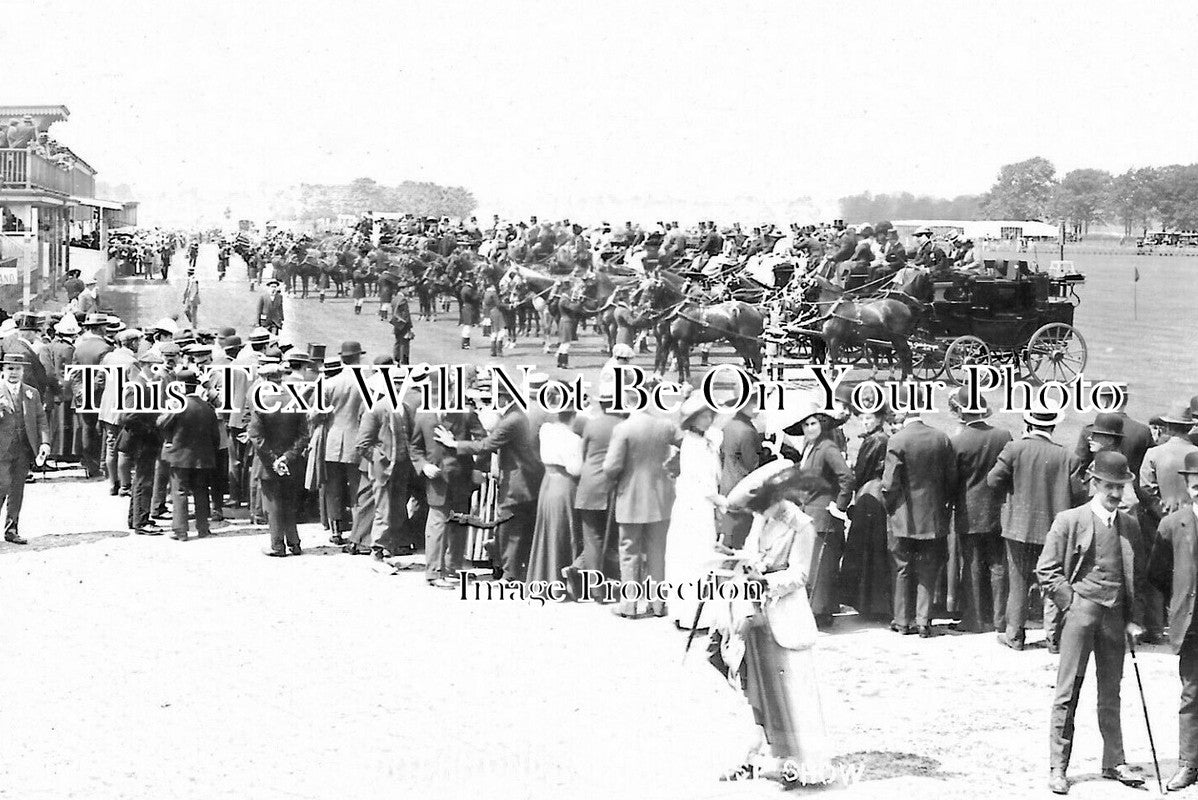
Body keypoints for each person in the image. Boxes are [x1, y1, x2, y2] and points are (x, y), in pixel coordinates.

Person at [711, 459, 830, 787]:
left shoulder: (801, 525)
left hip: (784, 615)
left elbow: (800, 574)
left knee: (792, 693)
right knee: (759, 692)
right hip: (757, 615)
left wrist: (766, 582)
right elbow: (752, 554)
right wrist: (735, 560)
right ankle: (762, 757)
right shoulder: (762, 518)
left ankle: (802, 765)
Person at [1036, 451, 1147, 795]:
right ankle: (1058, 767)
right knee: (1068, 692)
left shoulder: (1129, 525)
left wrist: (1134, 619)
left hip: (1115, 618)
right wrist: (1072, 604)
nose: (1116, 494)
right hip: (1079, 615)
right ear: (1094, 483)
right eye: (1110, 486)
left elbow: (1136, 578)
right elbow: (1047, 570)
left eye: (1121, 487)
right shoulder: (1069, 520)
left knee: (1110, 691)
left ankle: (1113, 760)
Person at [988, 410, 1081, 652]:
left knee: (1017, 582)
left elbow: (993, 480)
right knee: (1052, 581)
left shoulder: (1014, 449)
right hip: (1055, 529)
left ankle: (1015, 635)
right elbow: (1079, 493)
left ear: (1027, 423)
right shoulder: (1068, 456)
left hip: (1018, 527)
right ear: (1053, 427)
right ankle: (1053, 638)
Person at [882, 406, 957, 637]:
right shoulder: (940, 438)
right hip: (932, 517)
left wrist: (890, 508)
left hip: (903, 517)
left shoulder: (897, 440)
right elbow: (952, 478)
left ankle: (902, 620)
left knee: (902, 568)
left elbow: (888, 484)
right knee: (927, 568)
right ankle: (924, 621)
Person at [1148, 450, 1198, 791]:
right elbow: (1158, 573)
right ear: (1188, 485)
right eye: (1196, 485)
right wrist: (1181, 602)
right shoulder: (1172, 524)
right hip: (1193, 626)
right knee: (1191, 694)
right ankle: (1189, 764)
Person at [602, 400, 679, 618]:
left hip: (631, 496)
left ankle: (629, 604)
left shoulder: (623, 429)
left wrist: (616, 476)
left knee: (629, 552)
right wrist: (673, 467)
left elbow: (611, 466)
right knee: (658, 551)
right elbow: (688, 444)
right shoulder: (666, 426)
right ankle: (658, 603)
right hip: (661, 496)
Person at [409, 372, 487, 587]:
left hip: (462, 478)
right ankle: (434, 573)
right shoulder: (423, 415)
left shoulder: (465, 413)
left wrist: (477, 466)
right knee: (437, 526)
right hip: (437, 481)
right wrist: (424, 466)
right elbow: (414, 448)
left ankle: (453, 567)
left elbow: (484, 442)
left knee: (459, 525)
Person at [784, 403, 854, 629]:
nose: (809, 428)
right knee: (814, 565)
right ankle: (821, 610)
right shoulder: (810, 447)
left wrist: (839, 506)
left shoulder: (827, 448)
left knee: (821, 567)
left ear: (822, 425)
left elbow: (847, 478)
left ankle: (820, 614)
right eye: (805, 425)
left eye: (813, 423)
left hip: (823, 513)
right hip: (808, 511)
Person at [949, 388, 1013, 633]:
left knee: (973, 565)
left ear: (960, 414)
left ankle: (974, 619)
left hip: (969, 509)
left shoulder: (957, 441)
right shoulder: (1003, 435)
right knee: (998, 564)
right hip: (998, 508)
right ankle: (999, 619)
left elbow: (951, 480)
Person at [663, 395, 723, 629]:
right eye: (705, 415)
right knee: (694, 558)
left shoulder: (706, 442)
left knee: (699, 557)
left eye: (710, 415)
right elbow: (700, 481)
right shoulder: (692, 444)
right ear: (695, 419)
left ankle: (698, 613)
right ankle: (691, 614)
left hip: (701, 506)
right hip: (694, 506)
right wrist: (718, 500)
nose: (709, 419)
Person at [565, 383, 624, 592]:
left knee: (592, 539)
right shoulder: (624, 425)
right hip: (614, 489)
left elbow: (584, 455)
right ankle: (598, 579)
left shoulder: (591, 425)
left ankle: (592, 585)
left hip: (589, 486)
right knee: (614, 537)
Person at [838, 396, 892, 621]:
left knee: (867, 549)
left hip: (870, 492)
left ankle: (868, 602)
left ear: (879, 418)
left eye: (869, 418)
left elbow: (862, 472)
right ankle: (870, 601)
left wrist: (850, 471)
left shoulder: (877, 440)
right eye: (863, 418)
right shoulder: (877, 438)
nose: (865, 422)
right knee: (871, 550)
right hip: (873, 492)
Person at [249, 378, 311, 557]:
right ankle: (294, 542)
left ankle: (277, 545)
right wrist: (286, 458)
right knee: (289, 504)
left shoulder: (261, 404)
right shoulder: (295, 403)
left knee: (273, 505)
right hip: (292, 464)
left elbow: (256, 437)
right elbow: (304, 436)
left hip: (268, 466)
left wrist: (274, 460)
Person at [156, 369, 220, 541]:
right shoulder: (208, 407)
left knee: (179, 492)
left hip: (179, 456)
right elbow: (216, 436)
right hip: (203, 457)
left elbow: (161, 423)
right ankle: (203, 528)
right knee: (201, 492)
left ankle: (180, 530)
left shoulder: (178, 405)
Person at [526, 404, 583, 587]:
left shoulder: (546, 430)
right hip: (564, 484)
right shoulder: (574, 439)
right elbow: (576, 469)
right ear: (573, 416)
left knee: (546, 529)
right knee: (565, 530)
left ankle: (543, 575)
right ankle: (561, 579)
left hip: (547, 481)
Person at [316, 341, 367, 547]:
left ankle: (336, 531)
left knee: (333, 488)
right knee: (357, 488)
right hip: (357, 440)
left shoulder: (329, 384)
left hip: (333, 440)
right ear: (358, 358)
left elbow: (316, 414)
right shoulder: (367, 383)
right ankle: (357, 531)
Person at [0, 354, 50, 545]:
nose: (13, 373)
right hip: (2, 449)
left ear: (23, 371)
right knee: (1, 486)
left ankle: (11, 529)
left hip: (23, 449)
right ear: (3, 371)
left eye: (17, 369)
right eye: (10, 369)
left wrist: (44, 443)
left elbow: (41, 420)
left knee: (17, 490)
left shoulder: (32, 393)